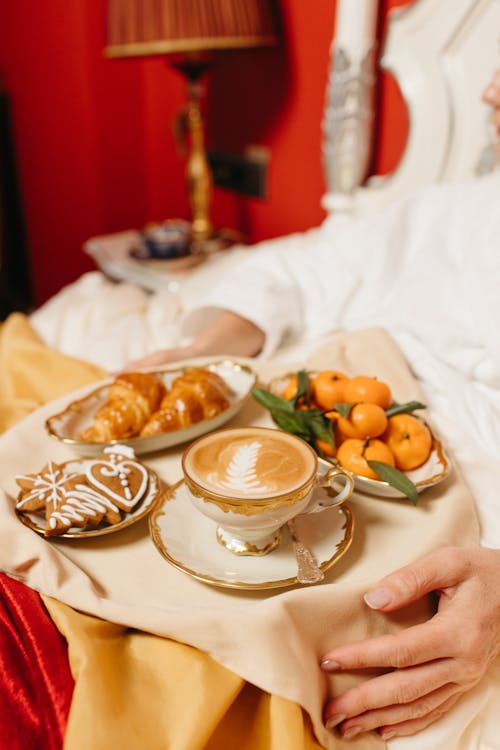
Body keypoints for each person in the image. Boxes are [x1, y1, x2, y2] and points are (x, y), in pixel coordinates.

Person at [126, 71, 500, 741]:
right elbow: (303, 268)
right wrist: (205, 358)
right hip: (307, 425)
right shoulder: (445, 212)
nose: (489, 93)